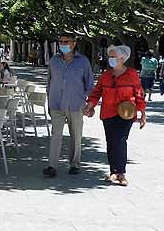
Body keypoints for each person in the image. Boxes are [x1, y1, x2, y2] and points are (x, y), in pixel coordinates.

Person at [84, 44, 146, 186]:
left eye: (114, 57)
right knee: (111, 142)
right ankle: (113, 171)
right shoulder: (105, 75)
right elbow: (96, 92)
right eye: (110, 56)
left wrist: (142, 113)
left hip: (126, 114)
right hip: (108, 113)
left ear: (122, 58)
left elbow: (139, 94)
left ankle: (121, 173)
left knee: (120, 140)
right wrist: (89, 106)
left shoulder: (131, 74)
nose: (110, 59)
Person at [44, 32, 94, 179]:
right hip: (56, 103)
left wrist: (89, 105)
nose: (63, 44)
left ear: (74, 43)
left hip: (76, 104)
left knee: (76, 136)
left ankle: (74, 164)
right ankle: (52, 165)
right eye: (61, 41)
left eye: (66, 41)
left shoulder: (83, 61)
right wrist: (48, 101)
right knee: (55, 135)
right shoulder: (53, 61)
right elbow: (49, 82)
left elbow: (90, 84)